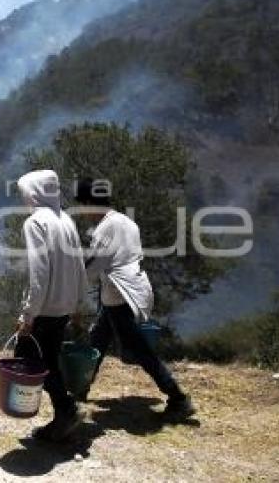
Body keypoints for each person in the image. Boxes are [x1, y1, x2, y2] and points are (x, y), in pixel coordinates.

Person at [74, 177, 196, 420]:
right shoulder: (126, 221)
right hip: (128, 291)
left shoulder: (105, 228)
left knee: (139, 349)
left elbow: (94, 266)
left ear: (89, 203)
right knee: (98, 338)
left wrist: (70, 293)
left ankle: (178, 398)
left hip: (119, 296)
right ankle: (79, 390)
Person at [14, 169, 88, 441]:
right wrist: (79, 301)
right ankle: (64, 415)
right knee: (50, 361)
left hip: (45, 308)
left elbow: (39, 271)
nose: (24, 199)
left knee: (29, 360)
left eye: (25, 193)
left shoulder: (35, 223)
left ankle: (65, 411)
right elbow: (79, 263)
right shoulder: (65, 219)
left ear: (34, 193)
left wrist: (28, 313)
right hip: (64, 306)